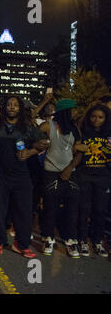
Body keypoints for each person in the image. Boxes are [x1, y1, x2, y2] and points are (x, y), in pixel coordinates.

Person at [0, 96, 47, 258]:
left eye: (15, 105)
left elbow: (44, 142)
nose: (12, 107)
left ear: (20, 109)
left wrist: (30, 151)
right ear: (4, 108)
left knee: (24, 211)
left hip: (21, 176)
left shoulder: (27, 128)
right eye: (9, 104)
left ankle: (22, 244)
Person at [39, 99, 83, 257]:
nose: (75, 112)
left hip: (70, 172)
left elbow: (79, 152)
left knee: (72, 208)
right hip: (51, 172)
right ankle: (48, 238)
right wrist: (39, 143)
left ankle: (70, 240)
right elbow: (33, 138)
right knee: (50, 207)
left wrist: (70, 168)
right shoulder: (47, 126)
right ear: (65, 111)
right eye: (73, 110)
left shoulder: (74, 128)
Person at [76, 104, 110, 257]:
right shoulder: (83, 132)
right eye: (93, 116)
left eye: (100, 117)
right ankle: (82, 239)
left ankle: (97, 240)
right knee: (84, 209)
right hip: (85, 174)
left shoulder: (109, 134)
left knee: (100, 210)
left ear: (106, 119)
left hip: (102, 176)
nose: (97, 119)